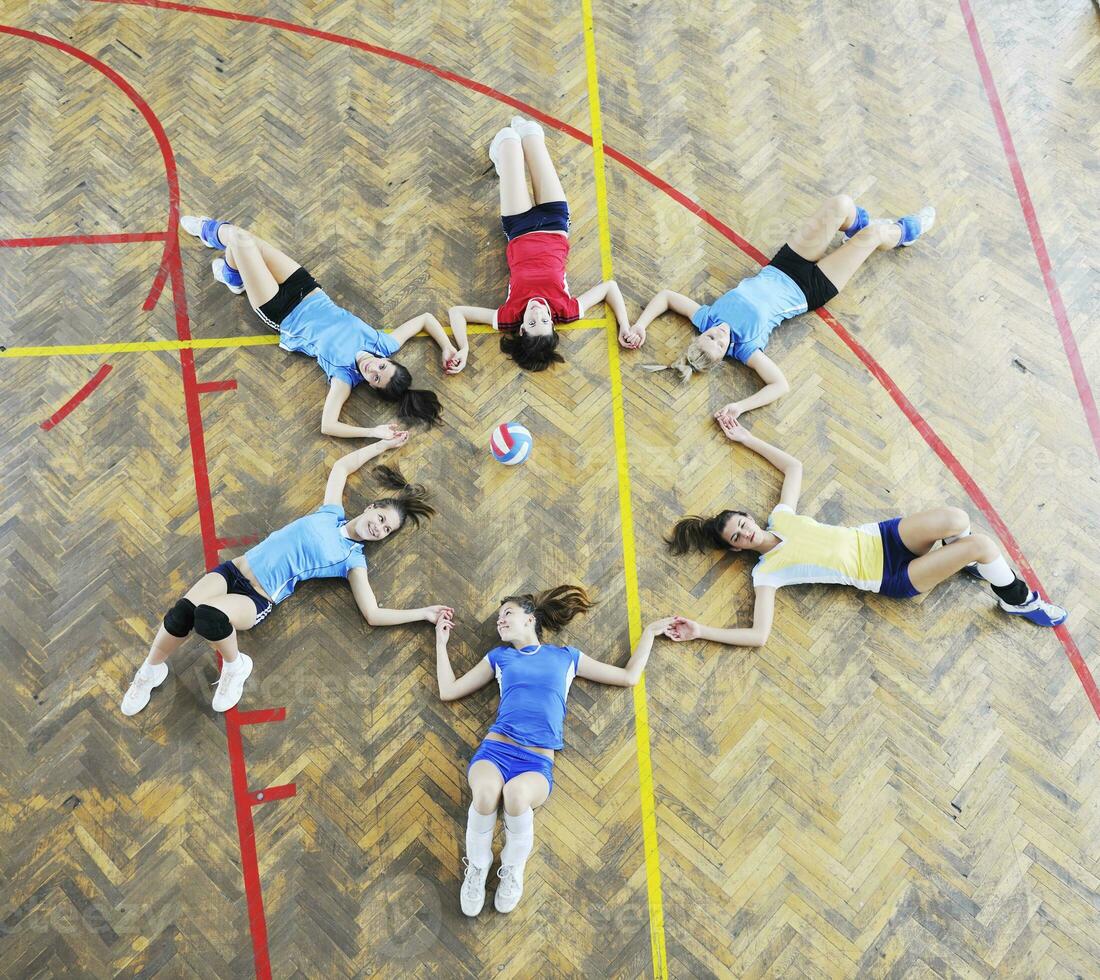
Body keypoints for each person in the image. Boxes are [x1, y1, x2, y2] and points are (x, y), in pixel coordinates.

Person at [663, 414, 1067, 650]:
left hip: (883, 537)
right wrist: (701, 631)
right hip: (889, 577)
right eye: (737, 537)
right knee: (981, 544)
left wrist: (747, 437)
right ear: (736, 550)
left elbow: (794, 467)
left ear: (750, 518)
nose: (745, 533)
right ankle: (1017, 599)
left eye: (742, 524)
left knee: (957, 519)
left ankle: (969, 563)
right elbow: (759, 635)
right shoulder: (766, 573)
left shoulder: (781, 518)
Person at [121, 434, 453, 715]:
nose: (380, 528)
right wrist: (382, 443)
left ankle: (236, 667)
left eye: (387, 530)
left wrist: (423, 613)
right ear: (370, 508)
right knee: (180, 614)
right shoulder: (331, 513)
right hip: (233, 569)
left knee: (208, 617)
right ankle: (150, 671)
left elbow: (373, 613)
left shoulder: (352, 560)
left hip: (256, 597)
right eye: (381, 517)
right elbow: (341, 467)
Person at [432, 586, 671, 915]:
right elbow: (449, 690)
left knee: (516, 796)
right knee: (486, 793)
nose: (500, 621)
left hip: (536, 762)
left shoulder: (566, 657)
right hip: (495, 751)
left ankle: (513, 870)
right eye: (499, 618)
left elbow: (629, 677)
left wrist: (649, 633)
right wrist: (440, 643)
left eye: (507, 614)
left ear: (530, 619)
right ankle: (477, 866)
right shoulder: (499, 658)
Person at [622, 194, 935, 421]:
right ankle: (906, 232)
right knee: (875, 235)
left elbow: (665, 296)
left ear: (700, 334)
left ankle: (858, 228)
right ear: (724, 356)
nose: (719, 334)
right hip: (813, 288)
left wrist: (641, 325)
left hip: (785, 265)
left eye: (710, 336)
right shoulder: (747, 349)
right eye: (720, 343)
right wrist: (741, 407)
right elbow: (779, 385)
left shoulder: (707, 318)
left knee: (840, 204)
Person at [180, 214, 466, 432]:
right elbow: (426, 319)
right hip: (306, 288)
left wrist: (372, 433)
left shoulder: (344, 377)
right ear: (387, 360)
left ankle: (208, 231)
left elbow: (328, 425)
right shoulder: (384, 343)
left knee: (241, 241)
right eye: (382, 367)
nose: (373, 369)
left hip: (280, 311)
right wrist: (446, 347)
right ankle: (233, 277)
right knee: (244, 243)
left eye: (376, 379)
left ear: (371, 386)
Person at [446, 116, 631, 371]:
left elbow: (457, 312)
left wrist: (463, 347)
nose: (537, 313)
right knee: (530, 132)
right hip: (555, 222)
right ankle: (515, 158)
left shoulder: (509, 316)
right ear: (552, 322)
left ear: (522, 329)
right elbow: (610, 288)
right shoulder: (567, 311)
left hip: (518, 225)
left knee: (508, 139)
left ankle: (504, 164)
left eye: (532, 323)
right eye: (544, 320)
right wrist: (625, 325)